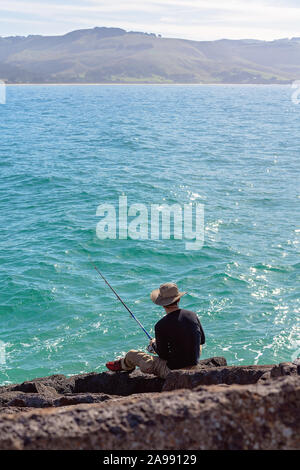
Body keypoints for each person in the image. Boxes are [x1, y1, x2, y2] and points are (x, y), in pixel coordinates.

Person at [106, 282, 205, 379]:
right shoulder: (192, 315)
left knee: (132, 354)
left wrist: (154, 345)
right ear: (178, 299)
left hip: (173, 372)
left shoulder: (161, 325)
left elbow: (163, 355)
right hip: (194, 365)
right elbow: (202, 341)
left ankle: (124, 364)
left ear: (162, 304)